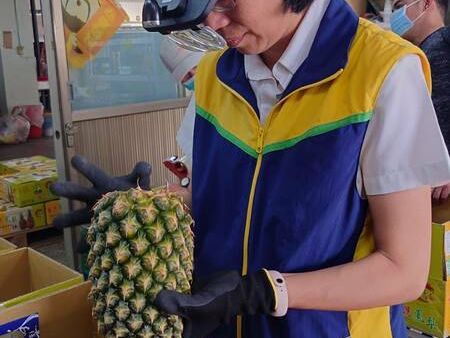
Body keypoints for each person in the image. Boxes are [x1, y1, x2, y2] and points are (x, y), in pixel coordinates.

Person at [52, 0, 450, 337]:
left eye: (226, 1)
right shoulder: (214, 76)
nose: (214, 21)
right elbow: (211, 197)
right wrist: (141, 210)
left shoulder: (383, 73)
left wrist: (267, 291)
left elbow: (404, 270)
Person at [391, 0, 450, 202]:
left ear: (426, 4)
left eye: (400, 6)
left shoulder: (442, 47)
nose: (394, 15)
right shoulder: (417, 56)